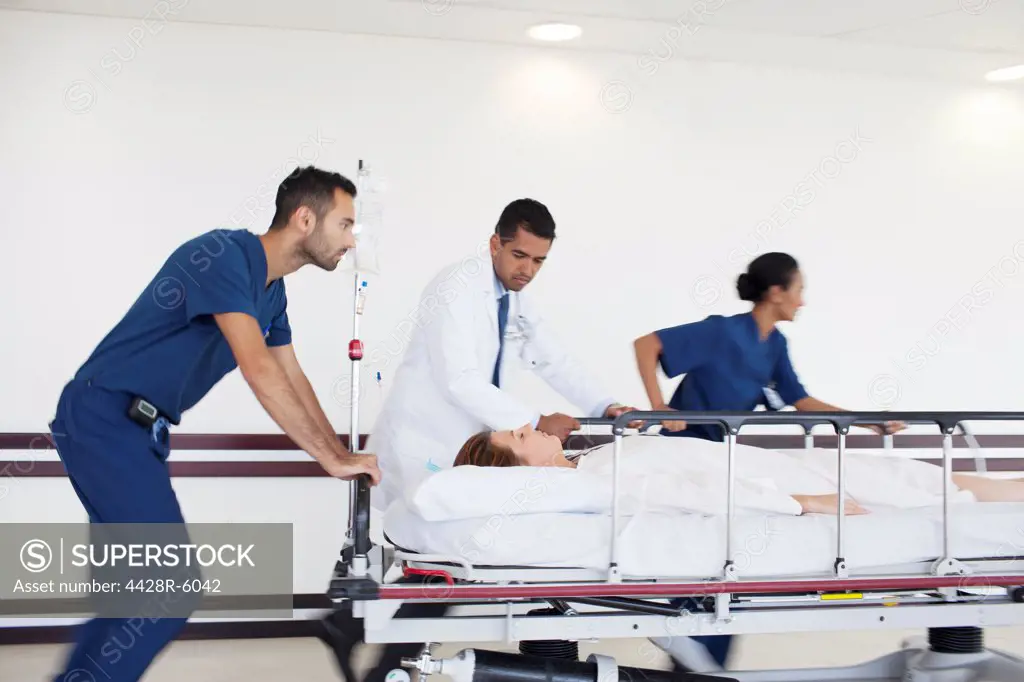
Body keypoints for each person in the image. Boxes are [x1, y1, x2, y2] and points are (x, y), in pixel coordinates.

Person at [47, 166, 381, 682]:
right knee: (170, 589)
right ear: (305, 218)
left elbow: (292, 376)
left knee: (128, 597)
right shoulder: (226, 256)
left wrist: (340, 451)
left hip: (133, 431)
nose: (351, 241)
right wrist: (329, 458)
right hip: (102, 416)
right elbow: (260, 369)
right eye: (345, 225)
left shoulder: (273, 295)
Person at [318, 198, 637, 682]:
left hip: (455, 448)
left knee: (441, 562)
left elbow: (553, 358)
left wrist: (604, 405)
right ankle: (365, 644)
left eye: (538, 261)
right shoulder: (458, 287)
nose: (528, 270)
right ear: (495, 243)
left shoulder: (513, 297)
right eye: (519, 256)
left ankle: (352, 632)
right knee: (445, 561)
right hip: (424, 443)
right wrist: (536, 421)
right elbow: (459, 380)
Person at [631, 251, 905, 670]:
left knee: (724, 572)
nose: (802, 301)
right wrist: (659, 408)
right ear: (776, 292)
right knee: (703, 569)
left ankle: (704, 668)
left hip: (724, 463)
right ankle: (694, 664)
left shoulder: (774, 344)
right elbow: (647, 344)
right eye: (799, 291)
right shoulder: (722, 332)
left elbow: (799, 401)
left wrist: (866, 421)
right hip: (683, 458)